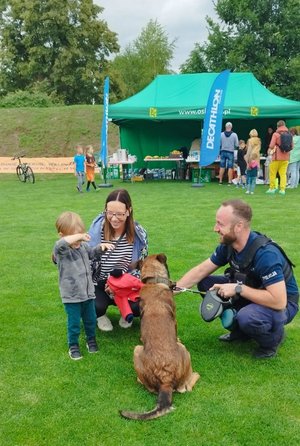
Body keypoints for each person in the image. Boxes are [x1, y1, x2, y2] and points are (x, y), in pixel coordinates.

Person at [176, 199, 299, 359]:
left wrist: (237, 288)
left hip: (283, 304)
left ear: (239, 226)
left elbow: (279, 301)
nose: (215, 229)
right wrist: (172, 289)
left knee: (247, 317)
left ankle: (272, 340)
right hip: (253, 289)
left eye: (220, 224)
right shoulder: (228, 246)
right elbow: (201, 270)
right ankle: (240, 332)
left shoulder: (266, 255)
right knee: (206, 284)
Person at [53, 211, 114, 360]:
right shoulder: (62, 251)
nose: (79, 240)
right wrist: (79, 236)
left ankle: (91, 339)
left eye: (81, 234)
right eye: (75, 237)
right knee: (74, 323)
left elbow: (92, 253)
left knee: (91, 319)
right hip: (72, 296)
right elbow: (61, 244)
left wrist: (101, 247)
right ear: (62, 235)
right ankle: (73, 345)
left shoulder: (82, 247)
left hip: (88, 293)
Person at [88, 189, 148, 331]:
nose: (114, 219)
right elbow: (85, 257)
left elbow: (140, 266)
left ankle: (125, 312)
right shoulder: (96, 231)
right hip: (100, 283)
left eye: (120, 214)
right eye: (110, 213)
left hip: (125, 284)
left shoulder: (139, 234)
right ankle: (100, 316)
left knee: (139, 305)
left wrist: (120, 284)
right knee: (95, 306)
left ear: (128, 211)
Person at [266, 120, 292, 195]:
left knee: (272, 173)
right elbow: (292, 146)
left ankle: (272, 188)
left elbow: (271, 145)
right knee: (283, 174)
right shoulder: (289, 134)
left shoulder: (275, 134)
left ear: (277, 126)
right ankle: (282, 189)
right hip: (286, 157)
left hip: (276, 157)